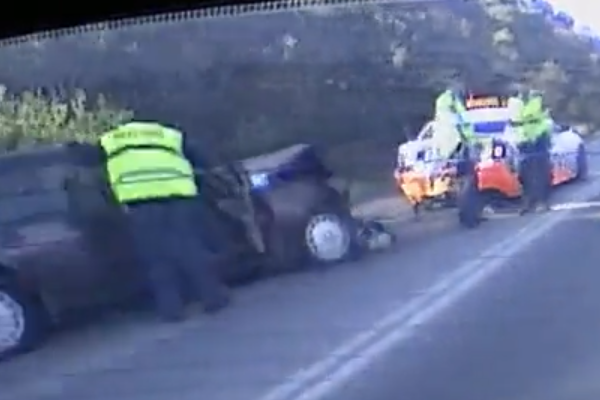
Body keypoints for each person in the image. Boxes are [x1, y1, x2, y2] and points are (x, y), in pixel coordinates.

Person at [99, 121, 231, 322]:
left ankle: (171, 310)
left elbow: (86, 163)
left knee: (156, 257)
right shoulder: (168, 134)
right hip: (179, 197)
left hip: (140, 203)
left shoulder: (110, 140)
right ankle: (213, 298)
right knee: (191, 249)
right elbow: (201, 158)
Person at [508, 89, 552, 214]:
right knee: (524, 174)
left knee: (541, 173)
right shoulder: (513, 102)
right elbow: (512, 122)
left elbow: (546, 117)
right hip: (523, 141)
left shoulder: (538, 99)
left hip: (538, 139)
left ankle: (541, 202)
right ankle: (528, 202)